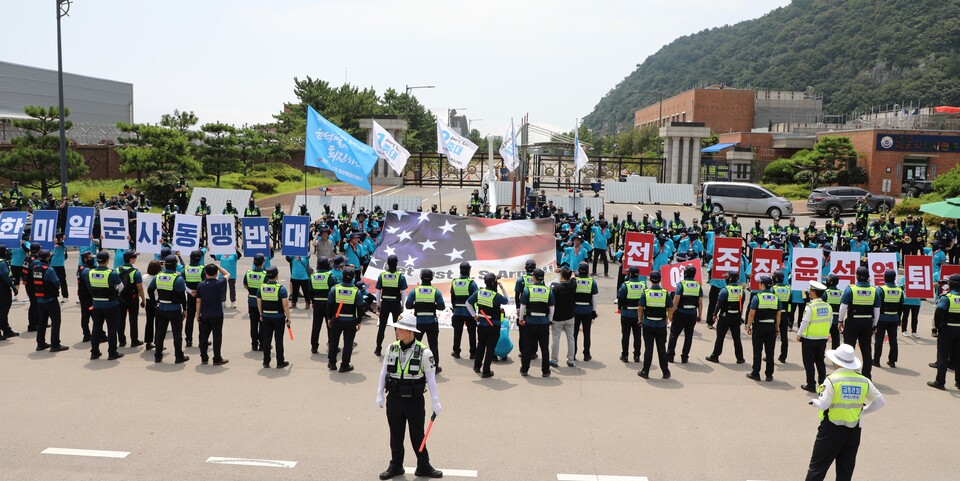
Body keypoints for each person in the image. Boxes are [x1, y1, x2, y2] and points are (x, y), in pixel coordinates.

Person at [375, 316, 443, 480]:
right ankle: (396, 466)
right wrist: (379, 394)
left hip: (414, 400)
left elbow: (431, 379)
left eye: (399, 328)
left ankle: (423, 466)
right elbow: (384, 372)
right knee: (396, 435)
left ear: (409, 331)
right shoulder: (391, 348)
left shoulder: (425, 352)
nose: (396, 331)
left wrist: (435, 400)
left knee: (417, 435)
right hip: (395, 398)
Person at [804, 344, 885, 481]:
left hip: (831, 429)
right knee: (845, 472)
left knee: (817, 469)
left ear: (836, 362)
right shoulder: (863, 380)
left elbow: (824, 405)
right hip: (853, 431)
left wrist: (815, 402)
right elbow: (880, 402)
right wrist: (863, 412)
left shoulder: (832, 380)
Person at [837, 266, 880, 379]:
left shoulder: (850, 289)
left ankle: (847, 373)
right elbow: (877, 310)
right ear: (868, 277)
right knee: (866, 350)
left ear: (856, 276)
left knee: (848, 349)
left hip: (852, 322)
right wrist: (874, 324)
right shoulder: (874, 290)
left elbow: (843, 307)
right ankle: (867, 375)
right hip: (867, 323)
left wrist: (840, 321)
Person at [465, 273, 509, 378]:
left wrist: (474, 315)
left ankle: (477, 366)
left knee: (480, 345)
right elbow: (507, 300)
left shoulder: (479, 292)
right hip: (493, 325)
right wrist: (502, 288)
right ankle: (486, 371)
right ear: (494, 283)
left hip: (481, 324)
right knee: (490, 348)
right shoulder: (496, 296)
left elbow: (468, 303)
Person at [149, 255, 189, 364]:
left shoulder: (158, 276)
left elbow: (150, 290)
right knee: (177, 334)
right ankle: (179, 356)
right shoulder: (178, 278)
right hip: (174, 309)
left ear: (165, 265)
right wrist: (184, 309)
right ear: (176, 265)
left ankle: (158, 356)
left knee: (160, 333)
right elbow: (182, 296)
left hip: (161, 308)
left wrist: (154, 303)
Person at [84, 251, 124, 360]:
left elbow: (89, 287)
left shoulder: (90, 272)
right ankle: (112, 352)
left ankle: (94, 352)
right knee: (112, 329)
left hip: (96, 304)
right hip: (111, 304)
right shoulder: (112, 273)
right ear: (107, 260)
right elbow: (121, 287)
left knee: (96, 328)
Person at [405, 269, 445, 373]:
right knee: (433, 346)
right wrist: (432, 305)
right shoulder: (436, 291)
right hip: (432, 322)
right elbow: (442, 306)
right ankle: (435, 367)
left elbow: (408, 305)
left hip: (418, 323)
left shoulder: (415, 290)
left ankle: (413, 366)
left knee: (414, 345)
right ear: (432, 278)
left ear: (421, 277)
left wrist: (417, 305)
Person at [518, 268, 554, 377]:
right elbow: (552, 308)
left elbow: (522, 306)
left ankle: (524, 369)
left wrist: (521, 319)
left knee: (527, 347)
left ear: (533, 278)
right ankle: (545, 371)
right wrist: (550, 320)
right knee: (544, 348)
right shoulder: (548, 291)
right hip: (543, 322)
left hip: (530, 322)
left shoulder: (527, 290)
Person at [327, 267, 364, 372]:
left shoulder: (335, 289)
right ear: (353, 278)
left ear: (342, 276)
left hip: (337, 319)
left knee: (334, 341)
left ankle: (332, 363)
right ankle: (344, 365)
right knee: (348, 343)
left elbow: (329, 304)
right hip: (351, 321)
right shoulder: (357, 292)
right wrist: (359, 321)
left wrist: (329, 318)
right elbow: (360, 307)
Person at [928, 274, 960, 390]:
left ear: (950, 285)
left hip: (947, 330)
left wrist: (938, 327)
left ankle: (940, 382)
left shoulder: (946, 298)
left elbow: (938, 313)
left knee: (943, 356)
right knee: (958, 356)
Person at [637, 270, 672, 379]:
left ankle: (645, 372)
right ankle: (665, 372)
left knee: (649, 349)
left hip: (648, 324)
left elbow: (640, 308)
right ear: (660, 279)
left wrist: (640, 319)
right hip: (661, 325)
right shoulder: (665, 293)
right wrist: (667, 318)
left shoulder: (646, 292)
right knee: (661, 348)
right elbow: (671, 308)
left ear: (650, 280)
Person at [798, 281, 832, 393]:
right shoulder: (828, 306)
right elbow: (830, 322)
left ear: (814, 292)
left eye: (810, 290)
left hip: (810, 339)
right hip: (822, 338)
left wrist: (799, 334)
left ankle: (811, 384)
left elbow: (805, 322)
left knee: (809, 362)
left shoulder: (810, 307)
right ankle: (822, 384)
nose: (809, 292)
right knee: (820, 361)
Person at [33, 250, 68, 353]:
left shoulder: (35, 268)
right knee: (56, 321)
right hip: (50, 299)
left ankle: (40, 343)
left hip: (40, 299)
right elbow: (57, 283)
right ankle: (55, 344)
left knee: (42, 322)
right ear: (47, 258)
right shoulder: (49, 270)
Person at [706, 271, 745, 364]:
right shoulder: (741, 290)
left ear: (730, 278)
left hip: (725, 316)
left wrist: (714, 314)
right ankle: (740, 358)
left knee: (720, 337)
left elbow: (718, 304)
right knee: (737, 338)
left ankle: (715, 356)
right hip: (736, 316)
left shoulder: (725, 290)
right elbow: (741, 304)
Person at [746, 275, 780, 382]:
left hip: (759, 326)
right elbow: (778, 314)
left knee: (757, 350)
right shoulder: (776, 298)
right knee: (770, 352)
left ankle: (756, 373)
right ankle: (769, 375)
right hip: (771, 327)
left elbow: (751, 314)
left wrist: (748, 325)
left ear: (763, 285)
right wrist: (777, 327)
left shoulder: (757, 297)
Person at [196, 263, 230, 365]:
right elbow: (227, 274)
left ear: (205, 273)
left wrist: (198, 314)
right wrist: (218, 267)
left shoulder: (201, 285)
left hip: (205, 314)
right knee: (217, 337)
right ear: (216, 273)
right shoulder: (219, 282)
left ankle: (204, 358)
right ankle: (217, 358)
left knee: (203, 337)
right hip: (217, 314)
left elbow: (198, 300)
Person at [258, 266, 292, 369]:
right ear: (277, 275)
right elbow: (285, 305)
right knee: (278, 340)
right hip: (278, 317)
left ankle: (266, 362)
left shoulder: (261, 287)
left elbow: (259, 302)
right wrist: (288, 317)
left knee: (267, 339)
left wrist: (261, 314)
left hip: (266, 316)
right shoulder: (281, 289)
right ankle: (280, 362)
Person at [668, 265, 702, 364]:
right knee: (689, 336)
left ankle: (670, 356)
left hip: (681, 313)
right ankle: (685, 357)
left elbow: (675, 301)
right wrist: (700, 315)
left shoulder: (681, 285)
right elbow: (700, 303)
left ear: (685, 274)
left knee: (674, 334)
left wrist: (670, 314)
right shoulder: (698, 285)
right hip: (692, 314)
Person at [375, 255, 407, 357]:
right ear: (397, 263)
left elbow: (378, 292)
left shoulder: (382, 275)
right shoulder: (400, 276)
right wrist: (403, 305)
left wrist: (378, 305)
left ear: (387, 263)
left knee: (382, 327)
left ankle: (378, 349)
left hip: (385, 304)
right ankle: (400, 349)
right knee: (397, 328)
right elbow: (403, 293)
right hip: (396, 304)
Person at [873, 269, 903, 368]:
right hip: (894, 318)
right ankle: (892, 361)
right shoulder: (900, 290)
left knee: (879, 340)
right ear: (894, 278)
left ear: (884, 278)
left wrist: (874, 320)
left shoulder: (880, 289)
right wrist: (899, 319)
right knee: (893, 340)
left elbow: (876, 305)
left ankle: (876, 360)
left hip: (882, 318)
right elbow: (901, 306)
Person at [115, 251, 145, 348]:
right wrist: (143, 300)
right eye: (135, 257)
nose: (135, 259)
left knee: (120, 319)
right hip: (133, 299)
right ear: (131, 259)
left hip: (120, 298)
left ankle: (121, 341)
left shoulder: (117, 270)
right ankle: (134, 340)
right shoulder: (136, 272)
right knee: (133, 320)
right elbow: (140, 288)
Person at [550, 266, 577, 368]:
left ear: (561, 276)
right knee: (571, 338)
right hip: (570, 317)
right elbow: (573, 276)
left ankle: (554, 360)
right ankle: (571, 360)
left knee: (556, 339)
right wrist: (566, 272)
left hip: (558, 318)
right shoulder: (573, 285)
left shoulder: (556, 288)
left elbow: (552, 304)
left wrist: (550, 318)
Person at [616, 266, 645, 363]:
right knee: (637, 336)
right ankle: (637, 356)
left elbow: (620, 299)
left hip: (626, 314)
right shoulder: (643, 285)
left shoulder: (625, 285)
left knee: (625, 335)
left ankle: (625, 356)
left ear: (629, 274)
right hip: (638, 315)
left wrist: (620, 308)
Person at [449, 261, 476, 360]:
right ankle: (473, 353)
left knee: (457, 332)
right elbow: (475, 297)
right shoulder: (472, 283)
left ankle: (456, 352)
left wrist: (454, 308)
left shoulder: (454, 282)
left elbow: (452, 297)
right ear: (469, 270)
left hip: (457, 312)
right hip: (469, 312)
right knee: (472, 333)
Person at [573, 262, 599, 361]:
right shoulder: (592, 282)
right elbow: (595, 298)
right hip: (587, 310)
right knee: (587, 333)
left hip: (575, 310)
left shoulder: (574, 281)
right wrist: (594, 311)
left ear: (579, 270)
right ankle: (586, 354)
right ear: (588, 271)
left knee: (574, 333)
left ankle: (573, 354)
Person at [309, 256, 335, 355]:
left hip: (317, 303)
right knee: (330, 325)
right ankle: (331, 344)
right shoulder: (330, 276)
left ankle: (314, 346)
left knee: (316, 325)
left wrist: (313, 302)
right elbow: (333, 292)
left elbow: (310, 290)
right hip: (328, 303)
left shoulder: (313, 276)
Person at [243, 254, 267, 351]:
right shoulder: (265, 275)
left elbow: (245, 285)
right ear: (263, 263)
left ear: (253, 262)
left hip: (251, 300)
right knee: (262, 323)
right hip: (262, 302)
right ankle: (262, 344)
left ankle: (254, 344)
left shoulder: (248, 273)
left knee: (253, 323)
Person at [182, 250, 205, 347]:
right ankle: (202, 340)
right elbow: (205, 283)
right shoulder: (203, 269)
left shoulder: (185, 269)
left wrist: (190, 291)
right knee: (202, 319)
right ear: (200, 258)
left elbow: (180, 283)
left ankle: (188, 340)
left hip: (190, 297)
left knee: (189, 319)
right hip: (201, 298)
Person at [772, 270, 792, 363]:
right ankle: (783, 357)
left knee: (772, 337)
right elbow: (790, 303)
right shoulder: (788, 288)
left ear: (776, 278)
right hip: (785, 314)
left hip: (775, 314)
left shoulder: (774, 289)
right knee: (784, 337)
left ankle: (769, 355)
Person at [0, 246, 19, 340]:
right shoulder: (2, 262)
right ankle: (5, 329)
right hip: (3, 290)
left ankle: (6, 330)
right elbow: (4, 275)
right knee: (3, 310)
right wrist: (13, 287)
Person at [142, 260, 161, 351]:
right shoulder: (159, 277)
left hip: (149, 301)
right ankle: (158, 342)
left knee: (149, 322)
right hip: (158, 301)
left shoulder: (145, 277)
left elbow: (147, 274)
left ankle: (148, 342)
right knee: (159, 323)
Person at [825, 275, 844, 350]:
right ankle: (836, 358)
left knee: (823, 340)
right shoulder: (841, 293)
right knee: (836, 340)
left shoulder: (826, 293)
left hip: (826, 320)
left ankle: (820, 357)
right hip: (836, 320)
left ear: (831, 282)